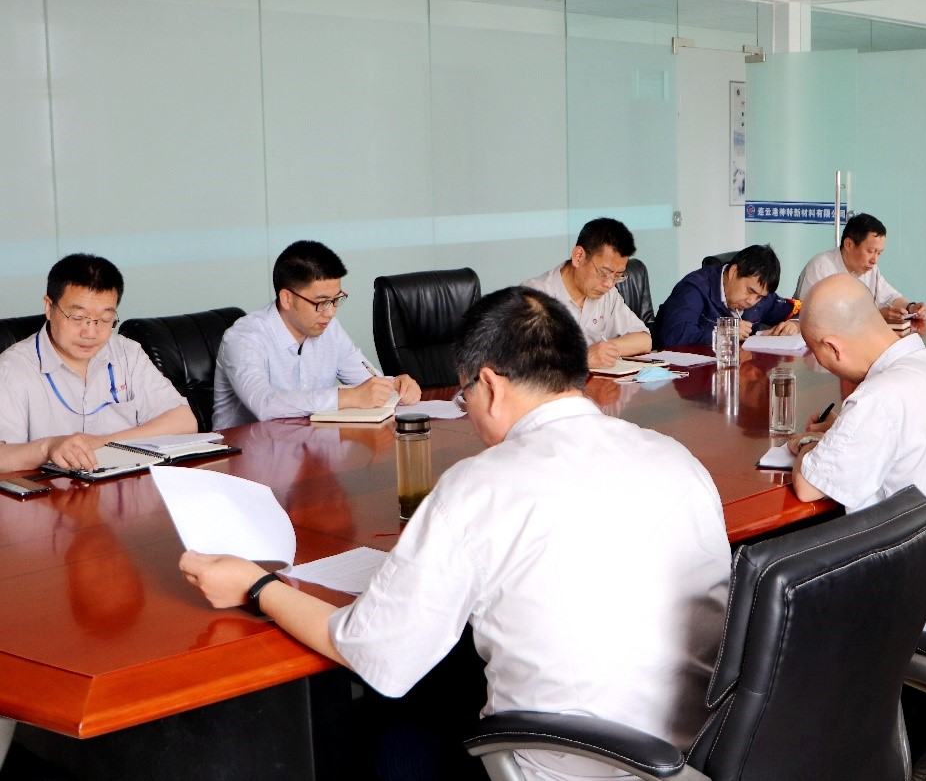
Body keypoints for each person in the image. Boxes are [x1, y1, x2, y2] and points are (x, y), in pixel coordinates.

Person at [180, 286, 732, 781]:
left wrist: (256, 587)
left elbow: (377, 656)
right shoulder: (674, 457)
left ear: (488, 384)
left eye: (466, 395)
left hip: (567, 764)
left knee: (388, 743)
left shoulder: (480, 484)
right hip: (696, 752)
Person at [787, 274, 926, 632]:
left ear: (833, 348)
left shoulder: (878, 398)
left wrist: (810, 442)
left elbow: (810, 486)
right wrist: (841, 430)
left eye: (819, 355)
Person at [0, 253, 197, 473]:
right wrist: (48, 447)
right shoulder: (12, 368)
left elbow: (184, 421)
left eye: (104, 320)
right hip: (54, 490)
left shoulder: (127, 353)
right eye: (78, 318)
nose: (91, 333)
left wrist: (102, 442)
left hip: (125, 484)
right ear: (49, 307)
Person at [213, 240, 421, 430]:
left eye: (336, 299)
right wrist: (346, 397)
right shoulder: (243, 338)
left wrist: (395, 386)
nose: (330, 312)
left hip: (308, 445)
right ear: (287, 299)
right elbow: (264, 404)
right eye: (321, 302)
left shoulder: (330, 329)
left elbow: (367, 383)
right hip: (243, 453)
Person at [522, 217, 652, 369]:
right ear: (578, 256)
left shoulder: (608, 295)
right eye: (604, 273)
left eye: (618, 275)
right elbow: (524, 361)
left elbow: (644, 341)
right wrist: (583, 357)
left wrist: (606, 349)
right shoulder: (535, 296)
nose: (609, 284)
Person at [653, 244, 801, 348]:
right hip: (687, 376)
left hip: (737, 371)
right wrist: (725, 332)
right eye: (750, 291)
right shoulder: (694, 289)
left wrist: (795, 324)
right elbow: (673, 335)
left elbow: (799, 311)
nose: (752, 301)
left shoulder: (760, 296)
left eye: (759, 297)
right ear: (733, 272)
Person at [794, 213, 926, 323]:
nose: (874, 260)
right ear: (849, 244)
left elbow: (890, 297)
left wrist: (911, 307)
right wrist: (875, 317)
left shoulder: (870, 269)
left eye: (879, 253)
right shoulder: (821, 267)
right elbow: (813, 316)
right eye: (870, 251)